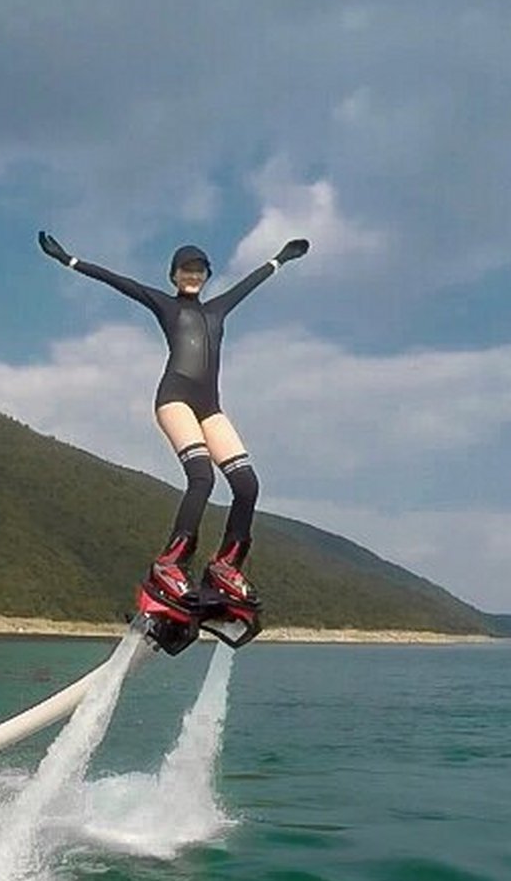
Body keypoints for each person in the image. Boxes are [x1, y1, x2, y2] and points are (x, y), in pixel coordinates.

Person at [37, 230, 310, 606]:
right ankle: (171, 563)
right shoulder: (167, 306)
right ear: (174, 275)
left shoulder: (218, 308)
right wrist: (69, 261)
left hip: (210, 407)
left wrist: (281, 258)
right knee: (202, 478)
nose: (193, 276)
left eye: (199, 270)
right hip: (175, 398)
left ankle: (225, 566)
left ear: (207, 274)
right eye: (186, 270)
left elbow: (252, 282)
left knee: (247, 485)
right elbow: (121, 283)